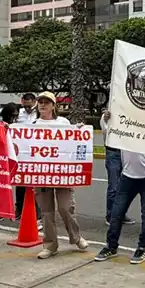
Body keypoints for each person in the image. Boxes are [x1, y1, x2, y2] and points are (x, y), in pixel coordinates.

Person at [95, 112, 145, 264]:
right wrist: (104, 119)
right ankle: (111, 246)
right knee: (117, 213)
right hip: (128, 175)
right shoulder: (124, 124)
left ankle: (143, 248)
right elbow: (108, 132)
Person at [33, 92, 89, 258]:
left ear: (53, 105)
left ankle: (76, 237)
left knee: (66, 207)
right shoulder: (33, 124)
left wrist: (78, 130)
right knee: (46, 211)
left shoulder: (63, 123)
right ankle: (50, 245)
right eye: (40, 102)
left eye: (47, 102)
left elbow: (71, 142)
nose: (43, 105)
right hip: (41, 173)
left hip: (61, 172)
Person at [101, 107, 136, 226]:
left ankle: (120, 214)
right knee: (114, 186)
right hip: (113, 153)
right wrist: (106, 120)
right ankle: (110, 215)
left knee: (125, 187)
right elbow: (106, 133)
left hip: (125, 152)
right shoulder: (107, 115)